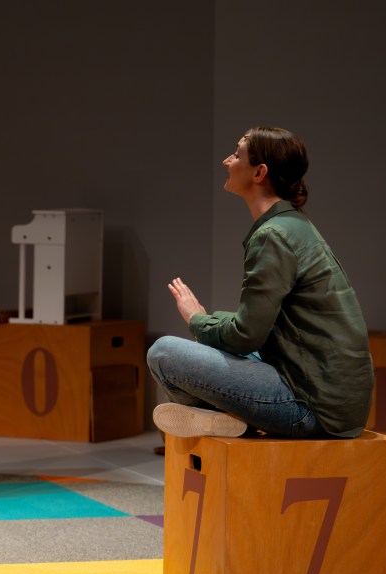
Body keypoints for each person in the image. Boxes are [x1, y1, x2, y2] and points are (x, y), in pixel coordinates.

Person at [146, 127, 373, 439]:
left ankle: (219, 418)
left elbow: (245, 336)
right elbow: (257, 328)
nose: (226, 161)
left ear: (259, 172)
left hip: (312, 408)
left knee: (163, 353)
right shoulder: (293, 224)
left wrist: (197, 319)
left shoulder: (273, 235)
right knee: (207, 343)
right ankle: (221, 419)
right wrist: (207, 324)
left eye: (237, 155)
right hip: (328, 397)